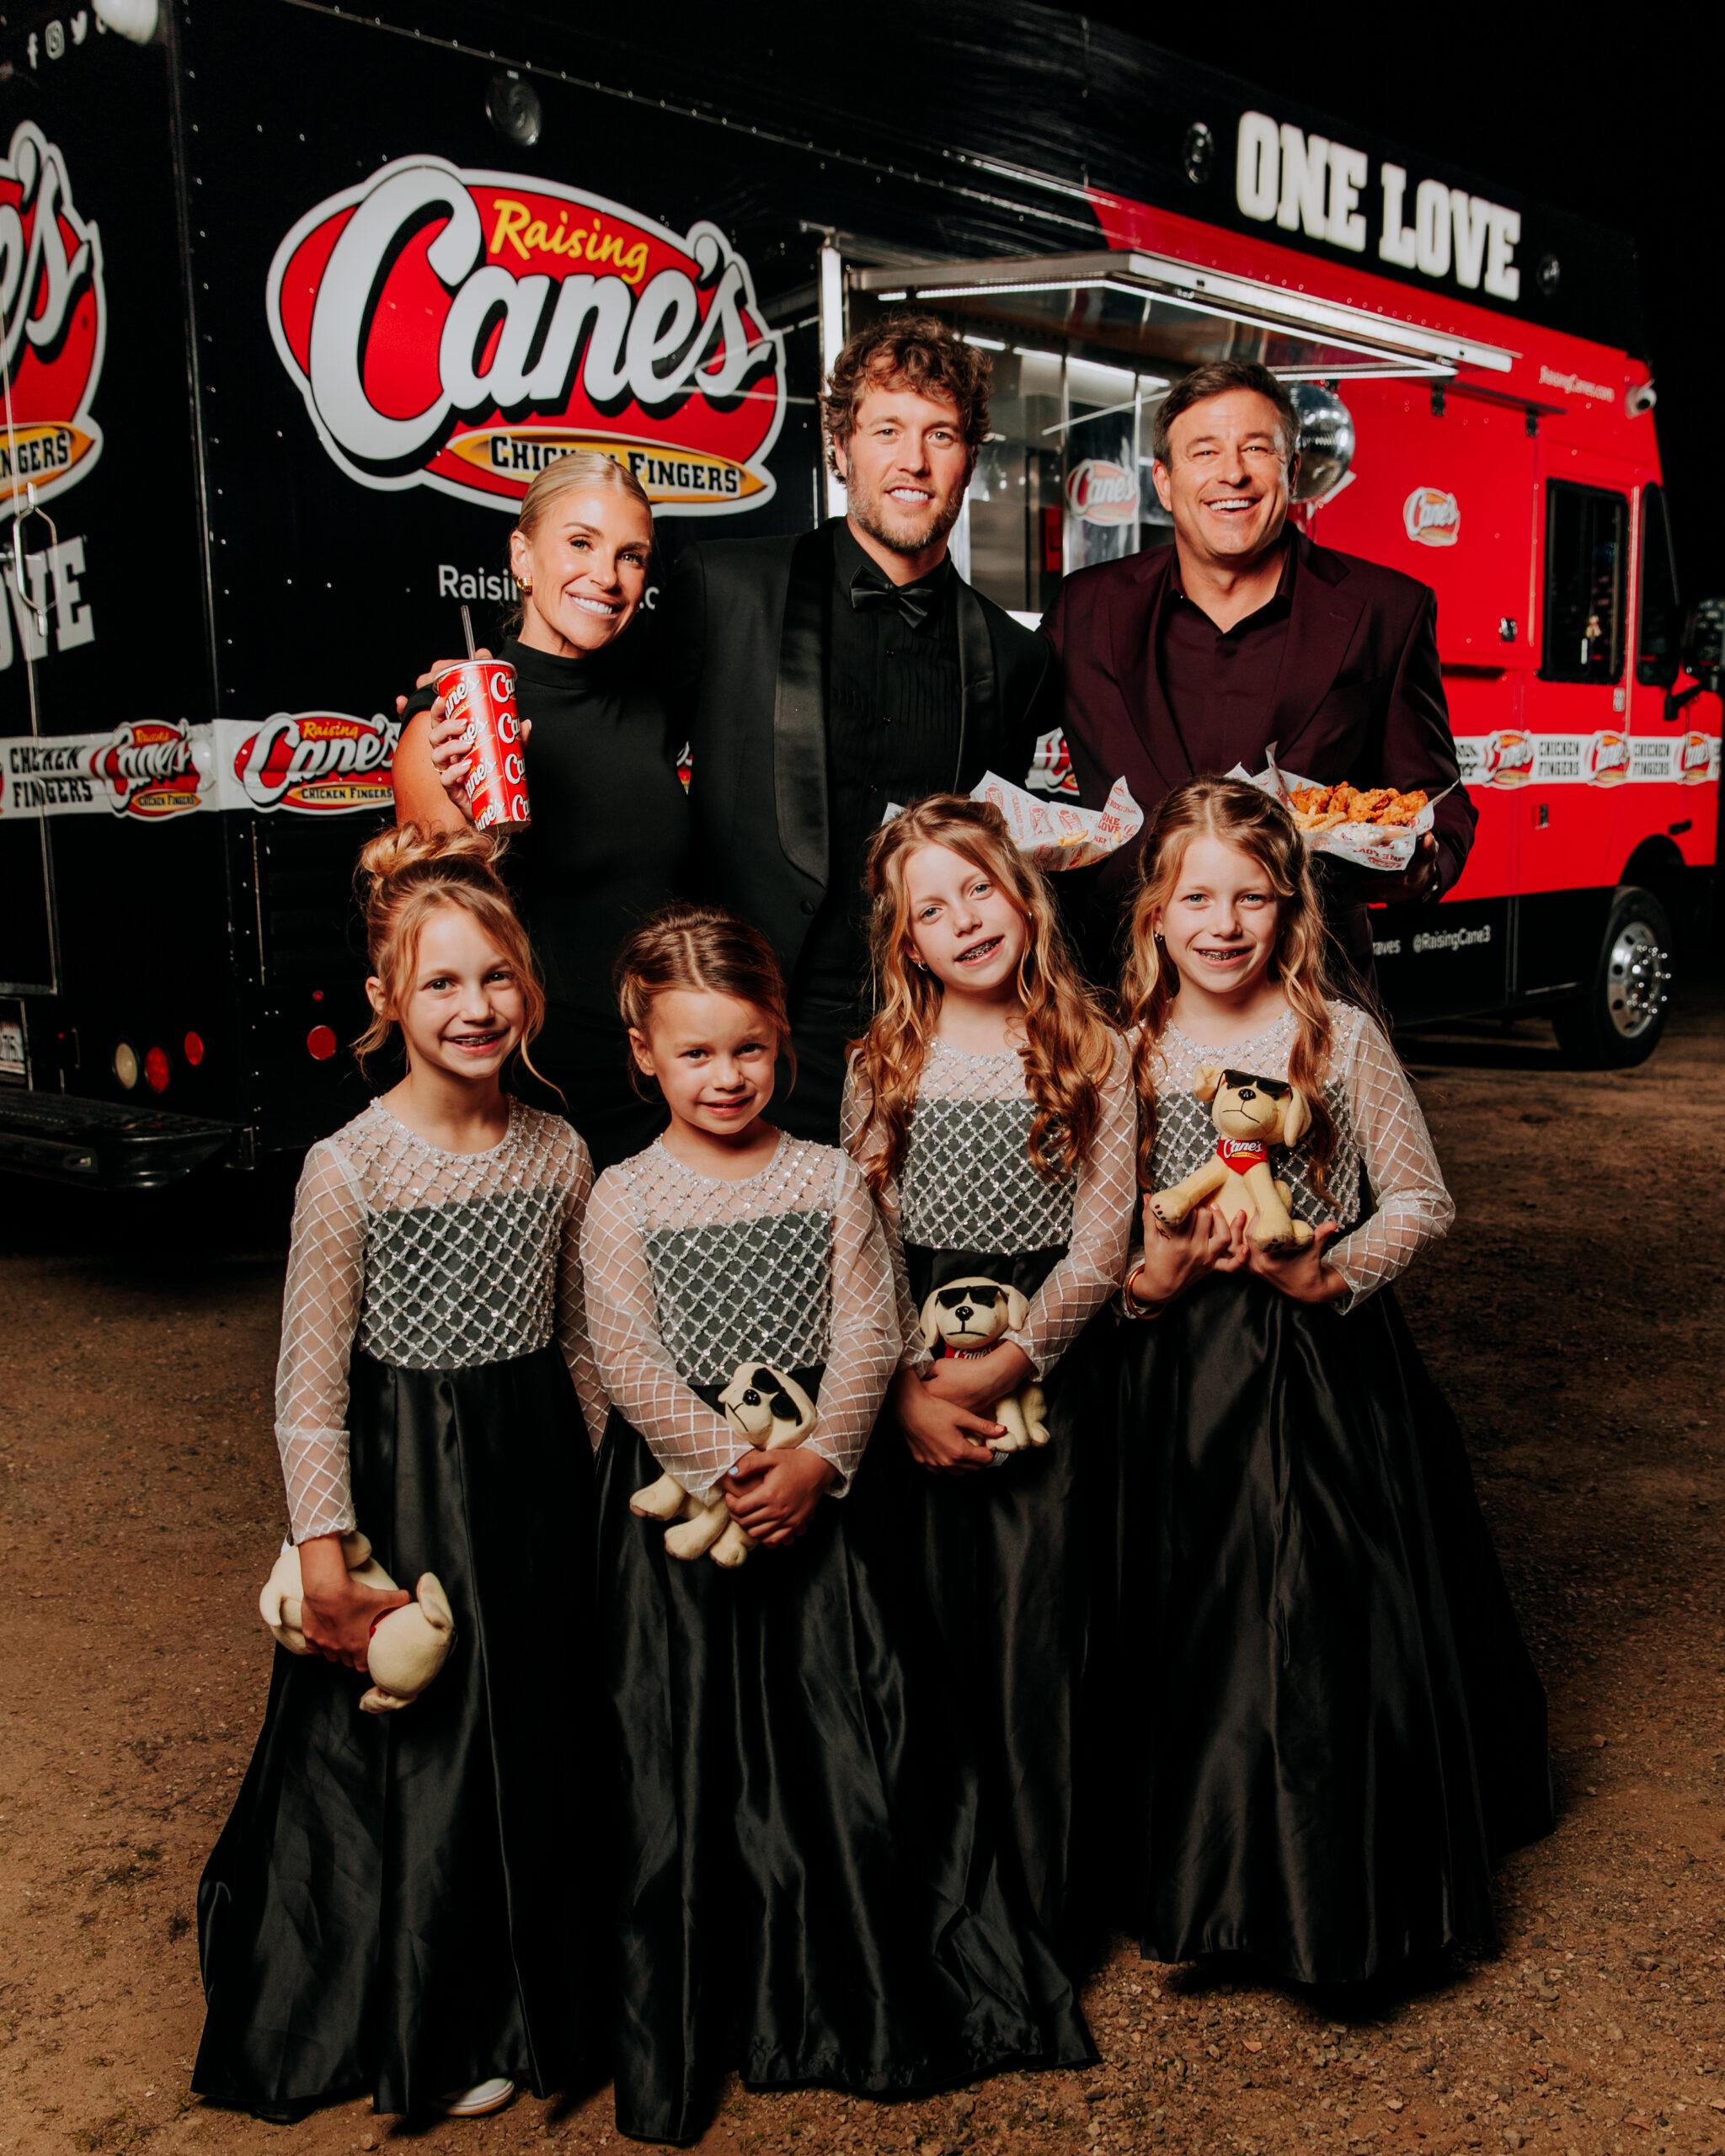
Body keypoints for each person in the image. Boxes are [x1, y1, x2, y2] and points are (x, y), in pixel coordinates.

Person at [581, 902, 1092, 2145]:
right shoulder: (620, 1197)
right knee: (686, 1760)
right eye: (695, 1053)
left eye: (748, 1048)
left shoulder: (825, 1179)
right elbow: (626, 1360)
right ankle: (715, 1990)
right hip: (690, 1520)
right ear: (644, 1053)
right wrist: (734, 1468)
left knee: (856, 1746)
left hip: (831, 1510)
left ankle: (856, 1978)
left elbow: (870, 1332)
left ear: (781, 1042)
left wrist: (816, 1462)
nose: (725, 1076)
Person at [195, 826, 611, 2123]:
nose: (474, 1006)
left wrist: (603, 1493)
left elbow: (582, 1345)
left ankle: (537, 1997)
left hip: (535, 1480)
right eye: (440, 982)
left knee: (535, 1729)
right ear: (384, 999)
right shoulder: (347, 1168)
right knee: (430, 1742)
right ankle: (438, 2009)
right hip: (406, 1489)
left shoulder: (559, 1151)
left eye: (496, 977)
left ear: (527, 989)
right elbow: (308, 1384)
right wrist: (323, 1549)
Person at [1109, 776, 1551, 1986]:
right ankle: (1205, 1874)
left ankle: (1331, 1884)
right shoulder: (1126, 1050)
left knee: (1316, 1606)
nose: (1223, 924)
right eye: (1196, 898)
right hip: (1175, 1377)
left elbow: (1420, 1198)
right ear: (1153, 913)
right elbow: (1100, 1230)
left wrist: (1332, 1272)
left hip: (1323, 1369)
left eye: (1252, 898)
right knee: (1192, 1611)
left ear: (1290, 910)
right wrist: (1149, 1280)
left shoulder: (1337, 1038)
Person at [842, 797, 1135, 1955]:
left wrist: (1008, 1365)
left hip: (1049, 1371)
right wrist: (909, 1394)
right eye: (932, 909)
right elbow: (861, 1247)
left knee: (1036, 1625)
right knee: (923, 1625)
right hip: (912, 1365)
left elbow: (1100, 1248)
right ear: (907, 943)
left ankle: (1041, 1901)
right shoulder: (882, 1061)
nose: (964, 919)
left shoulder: (1094, 1048)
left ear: (1024, 895)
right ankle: (934, 1890)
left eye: (979, 888)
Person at [660, 314, 1054, 1141]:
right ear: (839, 448)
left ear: (969, 459)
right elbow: (618, 760)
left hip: (932, 1043)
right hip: (754, 1037)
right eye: (886, 430)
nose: (914, 461)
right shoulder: (726, 589)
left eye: (940, 434)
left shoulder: (1014, 655)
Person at [1042, 360, 1476, 978]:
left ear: (1292, 472)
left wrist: (1423, 867)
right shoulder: (1086, 607)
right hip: (1118, 986)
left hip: (1307, 989)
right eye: (1204, 451)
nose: (1233, 473)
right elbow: (993, 748)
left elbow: (1438, 798)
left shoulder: (1387, 610)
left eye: (1256, 448)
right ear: (1164, 480)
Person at [394, 451, 691, 1168]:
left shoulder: (654, 705)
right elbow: (436, 937)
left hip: (663, 1080)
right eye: (580, 543)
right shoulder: (449, 723)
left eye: (630, 556)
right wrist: (470, 821)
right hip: (535, 1093)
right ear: (522, 558)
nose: (606, 576)